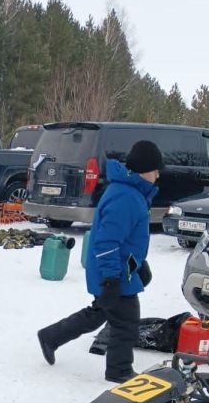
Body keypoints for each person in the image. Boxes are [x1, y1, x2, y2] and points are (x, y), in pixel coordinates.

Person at [36, 140, 162, 383]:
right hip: (113, 272)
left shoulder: (131, 193)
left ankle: (51, 337)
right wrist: (111, 278)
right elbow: (106, 242)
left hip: (120, 269)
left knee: (99, 313)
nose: (158, 175)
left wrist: (139, 265)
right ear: (143, 169)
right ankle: (120, 370)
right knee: (126, 321)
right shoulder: (126, 197)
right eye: (155, 169)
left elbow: (125, 240)